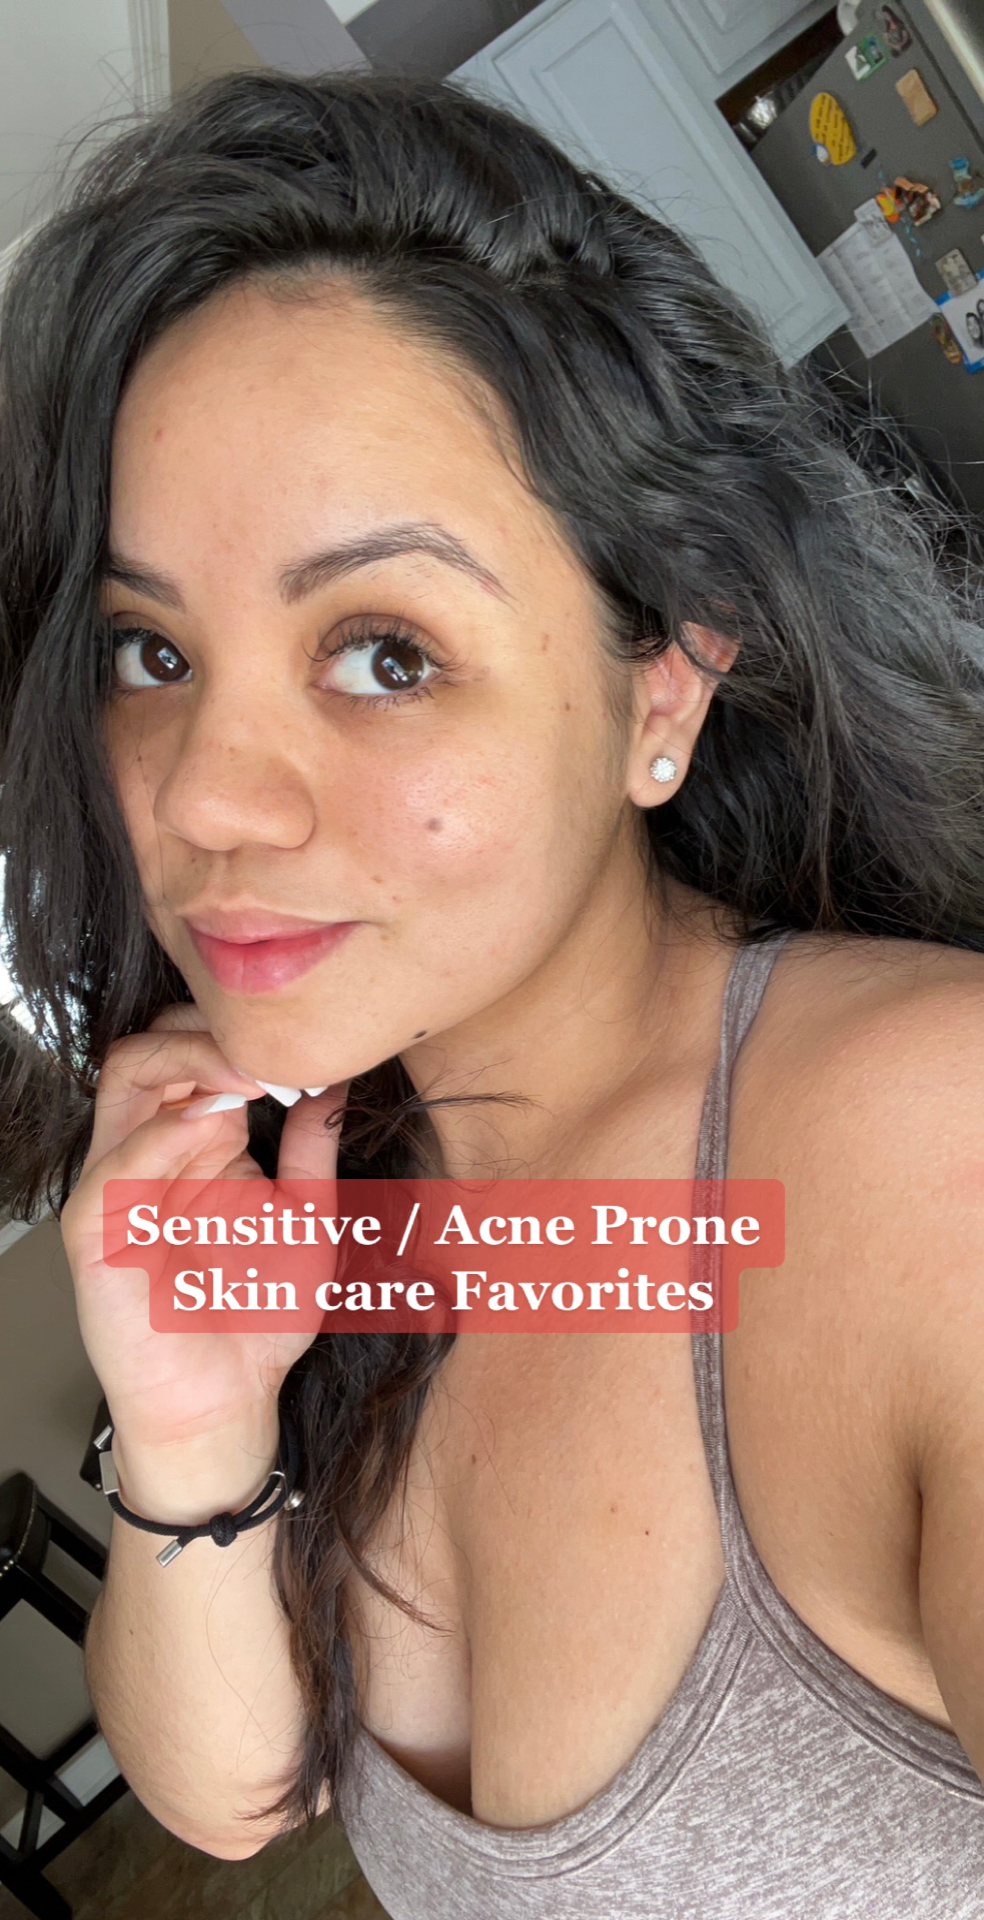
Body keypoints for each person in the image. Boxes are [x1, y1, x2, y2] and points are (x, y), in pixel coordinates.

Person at [1, 67, 983, 1920]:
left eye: (383, 652)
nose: (200, 797)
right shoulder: (349, 1187)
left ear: (662, 686)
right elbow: (232, 1802)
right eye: (151, 651)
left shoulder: (930, 1161)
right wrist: (194, 1428)